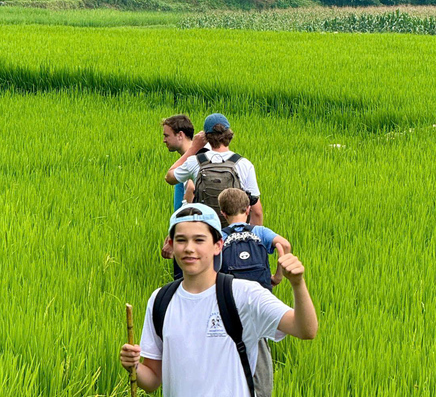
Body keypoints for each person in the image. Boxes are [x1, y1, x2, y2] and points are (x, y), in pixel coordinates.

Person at [119, 204, 317, 397]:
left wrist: (298, 284)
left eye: (199, 240)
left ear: (218, 245)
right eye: (181, 240)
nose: (189, 248)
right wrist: (134, 365)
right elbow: (153, 381)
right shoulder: (160, 299)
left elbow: (305, 330)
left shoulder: (244, 294)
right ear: (170, 245)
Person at [218, 188, 292, 397]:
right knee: (259, 349)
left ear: (223, 213)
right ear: (248, 209)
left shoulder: (221, 237)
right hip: (260, 302)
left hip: (230, 302)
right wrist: (278, 276)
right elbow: (284, 244)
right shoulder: (259, 232)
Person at [165, 113, 263, 226]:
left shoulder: (195, 161)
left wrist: (193, 148)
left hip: (206, 233)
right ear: (229, 135)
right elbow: (257, 212)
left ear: (206, 137)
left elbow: (169, 177)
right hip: (234, 233)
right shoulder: (244, 164)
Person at [161, 114, 199, 280]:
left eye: (166, 135)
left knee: (183, 281)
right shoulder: (195, 157)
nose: (164, 140)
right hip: (190, 229)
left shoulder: (192, 160)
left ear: (180, 135)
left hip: (187, 230)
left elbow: (191, 189)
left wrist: (174, 232)